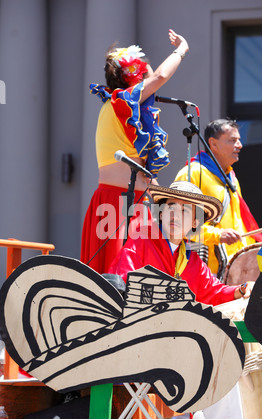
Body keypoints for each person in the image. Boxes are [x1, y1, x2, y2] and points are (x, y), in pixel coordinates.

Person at [109, 180, 253, 419]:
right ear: (161, 212)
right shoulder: (140, 241)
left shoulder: (192, 260)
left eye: (187, 211)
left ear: (195, 222)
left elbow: (213, 291)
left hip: (173, 348)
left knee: (224, 353)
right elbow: (122, 285)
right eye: (171, 207)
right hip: (137, 345)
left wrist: (241, 290)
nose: (176, 214)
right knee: (211, 349)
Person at [80, 29, 189, 275]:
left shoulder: (127, 110)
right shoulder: (122, 102)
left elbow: (144, 175)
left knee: (141, 280)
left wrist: (173, 199)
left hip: (137, 204)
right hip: (117, 204)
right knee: (116, 282)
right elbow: (160, 75)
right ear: (135, 76)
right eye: (143, 68)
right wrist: (181, 49)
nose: (148, 71)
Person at [175, 119, 262, 279]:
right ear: (213, 144)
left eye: (239, 140)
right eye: (232, 140)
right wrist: (218, 234)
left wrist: (254, 246)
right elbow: (177, 223)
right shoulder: (193, 173)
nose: (240, 145)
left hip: (232, 269)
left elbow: (239, 224)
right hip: (203, 271)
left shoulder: (232, 179)